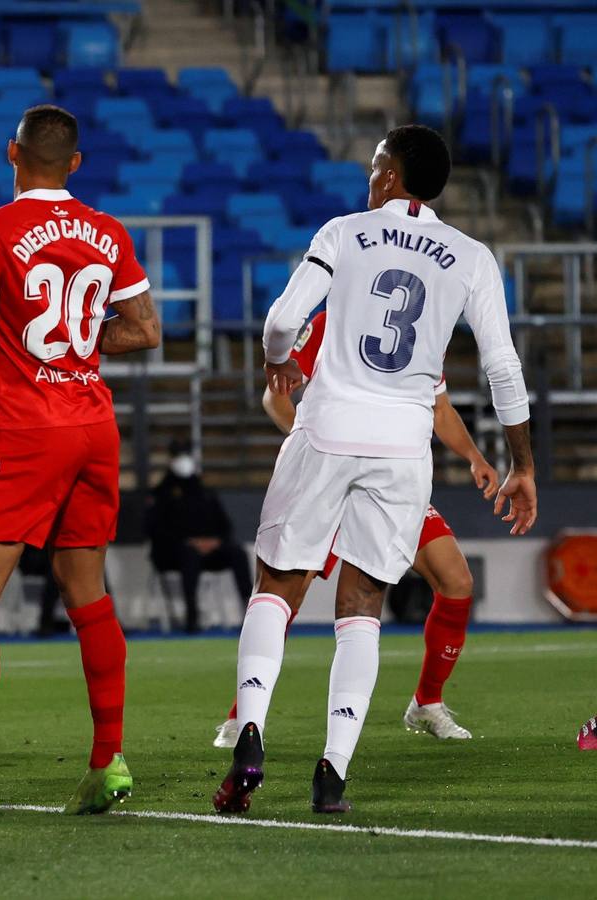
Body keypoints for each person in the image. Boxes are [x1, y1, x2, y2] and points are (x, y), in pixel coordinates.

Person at [213, 124, 535, 816]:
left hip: (329, 425)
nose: (369, 175)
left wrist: (276, 358)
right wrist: (521, 462)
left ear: (391, 176)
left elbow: (282, 318)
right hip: (403, 445)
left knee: (277, 586)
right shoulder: (472, 257)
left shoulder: (345, 232)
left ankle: (250, 732)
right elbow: (503, 367)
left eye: (374, 165)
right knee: (362, 607)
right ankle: (333, 771)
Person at [0, 105, 161, 823]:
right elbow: (146, 330)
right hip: (93, 425)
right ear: (75, 163)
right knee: (88, 594)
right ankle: (108, 760)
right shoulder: (109, 233)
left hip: (25, 430)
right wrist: (73, 345)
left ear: (11, 153)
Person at [212, 309, 492, 749]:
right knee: (289, 591)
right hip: (333, 471)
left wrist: (475, 457)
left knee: (456, 580)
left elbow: (440, 410)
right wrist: (318, 446)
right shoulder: (331, 318)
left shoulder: (419, 325)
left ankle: (427, 703)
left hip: (389, 476)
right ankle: (240, 715)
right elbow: (276, 397)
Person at [146, 440, 252, 633]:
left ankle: (251, 610)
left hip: (209, 550)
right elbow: (156, 530)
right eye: (179, 455)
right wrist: (189, 542)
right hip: (174, 554)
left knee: (238, 553)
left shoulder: (205, 492)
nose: (183, 460)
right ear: (170, 460)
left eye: (186, 454)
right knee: (189, 555)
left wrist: (214, 541)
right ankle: (192, 616)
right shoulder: (162, 492)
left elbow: (224, 525)